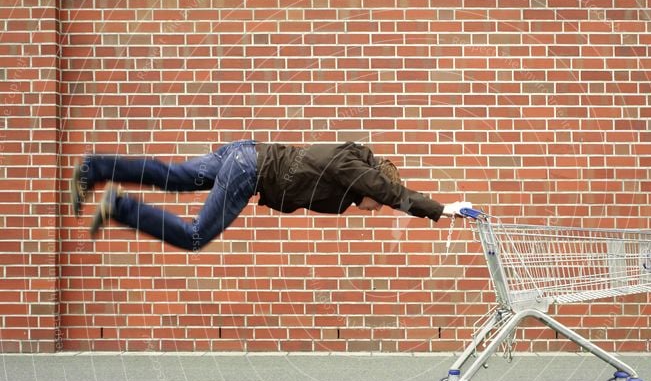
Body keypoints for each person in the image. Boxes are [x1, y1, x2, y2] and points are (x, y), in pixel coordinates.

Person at [70, 140, 471, 251]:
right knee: (194, 236)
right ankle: (117, 206)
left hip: (245, 154)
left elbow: (379, 190)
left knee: (175, 177)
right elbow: (389, 190)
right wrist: (442, 210)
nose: (373, 209)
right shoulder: (354, 168)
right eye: (375, 203)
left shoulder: (346, 172)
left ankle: (97, 168)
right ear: (371, 185)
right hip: (250, 169)